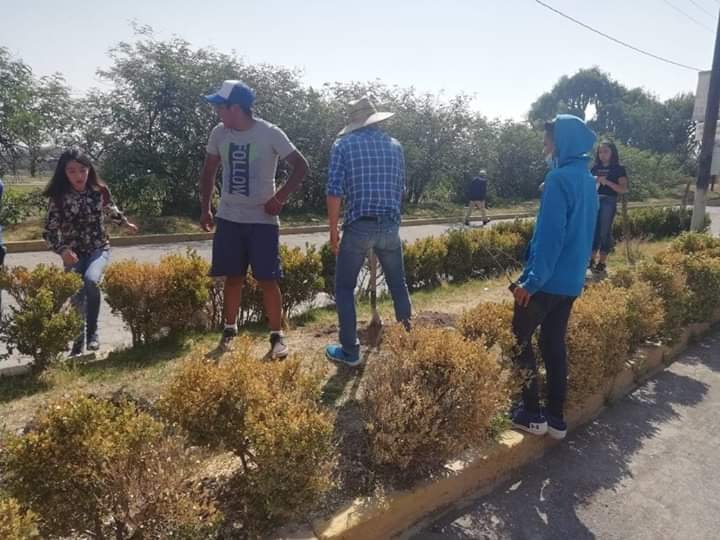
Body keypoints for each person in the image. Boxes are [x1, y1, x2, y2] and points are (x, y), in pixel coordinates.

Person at [199, 80, 308, 356]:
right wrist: (205, 208)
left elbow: (300, 166)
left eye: (220, 107)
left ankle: (277, 337)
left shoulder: (269, 133)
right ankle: (229, 331)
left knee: (267, 279)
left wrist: (279, 198)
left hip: (262, 221)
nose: (217, 112)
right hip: (228, 218)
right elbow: (209, 171)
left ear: (235, 108)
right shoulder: (219, 133)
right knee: (233, 277)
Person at [510, 115, 598, 440]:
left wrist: (531, 282)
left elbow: (550, 238)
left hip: (546, 281)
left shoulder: (559, 179)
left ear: (562, 142)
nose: (545, 146)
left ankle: (531, 413)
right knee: (553, 345)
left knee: (519, 339)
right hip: (571, 281)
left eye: (548, 140)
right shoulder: (587, 180)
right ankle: (556, 418)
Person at [325, 96, 412, 367]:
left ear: (354, 121)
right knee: (398, 284)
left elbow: (334, 192)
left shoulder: (343, 145)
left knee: (344, 288)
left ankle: (350, 351)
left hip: (358, 225)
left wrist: (333, 232)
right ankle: (408, 343)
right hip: (389, 225)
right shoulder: (395, 146)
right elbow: (401, 189)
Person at [43, 148, 138, 355]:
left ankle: (93, 333)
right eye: (72, 171)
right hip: (73, 254)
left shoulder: (99, 191)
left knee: (91, 281)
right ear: (64, 173)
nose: (78, 176)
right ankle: (78, 341)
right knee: (76, 294)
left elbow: (111, 210)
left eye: (82, 170)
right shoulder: (58, 198)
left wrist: (125, 224)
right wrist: (63, 250)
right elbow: (49, 232)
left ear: (89, 170)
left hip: (98, 247)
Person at [589, 140, 628, 274]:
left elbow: (623, 189)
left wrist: (607, 182)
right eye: (600, 152)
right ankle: (591, 260)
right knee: (593, 230)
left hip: (608, 200)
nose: (602, 154)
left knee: (604, 231)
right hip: (594, 200)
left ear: (612, 152)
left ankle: (602, 262)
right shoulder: (594, 168)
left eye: (606, 151)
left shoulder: (618, 168)